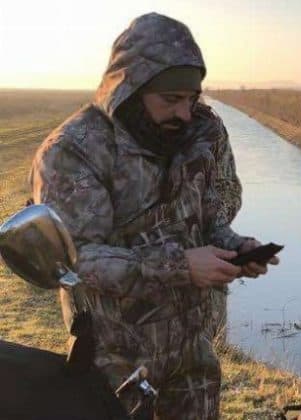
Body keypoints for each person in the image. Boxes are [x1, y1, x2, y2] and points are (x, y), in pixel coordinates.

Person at [30, 12, 277, 419]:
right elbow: (75, 261)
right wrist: (180, 266)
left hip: (193, 358)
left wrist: (235, 248)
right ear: (131, 88)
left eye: (192, 98)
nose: (184, 112)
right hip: (114, 367)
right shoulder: (73, 151)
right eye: (171, 99)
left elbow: (209, 220)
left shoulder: (197, 134)